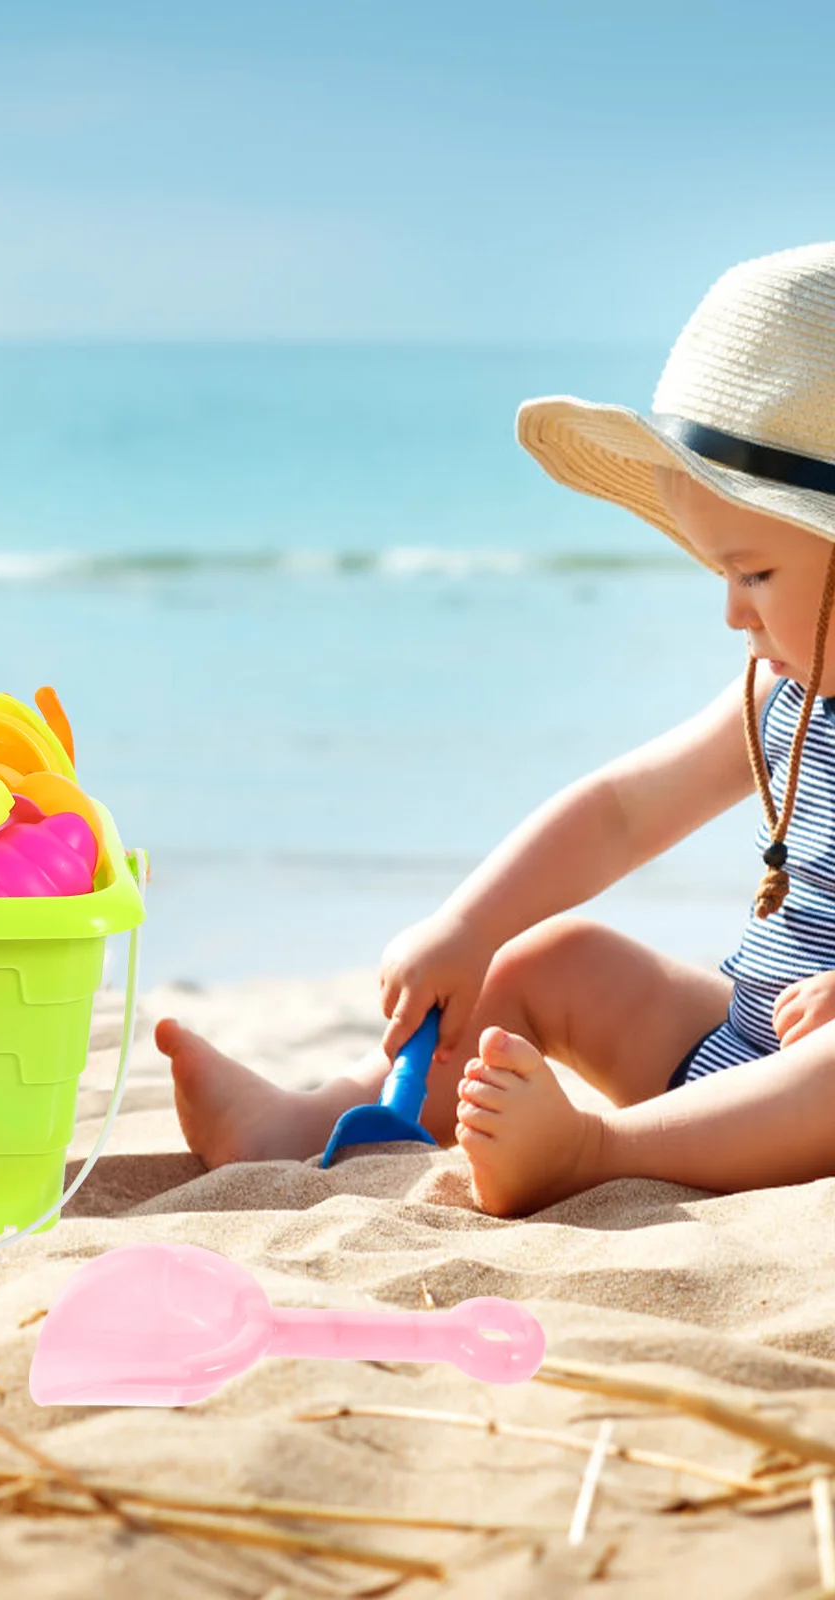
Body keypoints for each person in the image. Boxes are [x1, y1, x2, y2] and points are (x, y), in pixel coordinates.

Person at [161, 241, 835, 1216]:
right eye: (717, 574)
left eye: (754, 575)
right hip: (737, 1063)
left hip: (813, 1100)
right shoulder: (785, 692)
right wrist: (470, 925)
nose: (731, 614)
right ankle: (321, 1120)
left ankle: (591, 1152)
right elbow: (620, 812)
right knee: (546, 960)